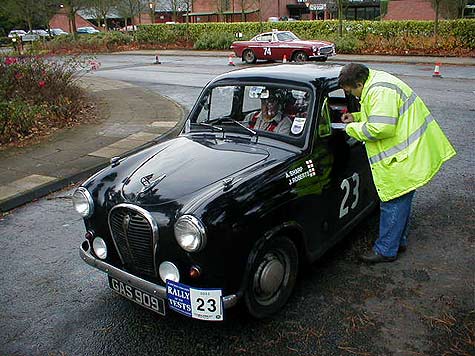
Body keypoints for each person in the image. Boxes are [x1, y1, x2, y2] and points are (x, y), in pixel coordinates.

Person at [338, 63, 456, 264]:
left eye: (352, 91)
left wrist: (349, 129)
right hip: (410, 151)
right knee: (402, 201)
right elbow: (379, 114)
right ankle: (397, 241)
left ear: (359, 83)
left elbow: (381, 128)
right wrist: (356, 117)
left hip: (404, 156)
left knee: (392, 201)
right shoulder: (376, 82)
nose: (354, 96)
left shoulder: (379, 91)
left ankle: (385, 250)